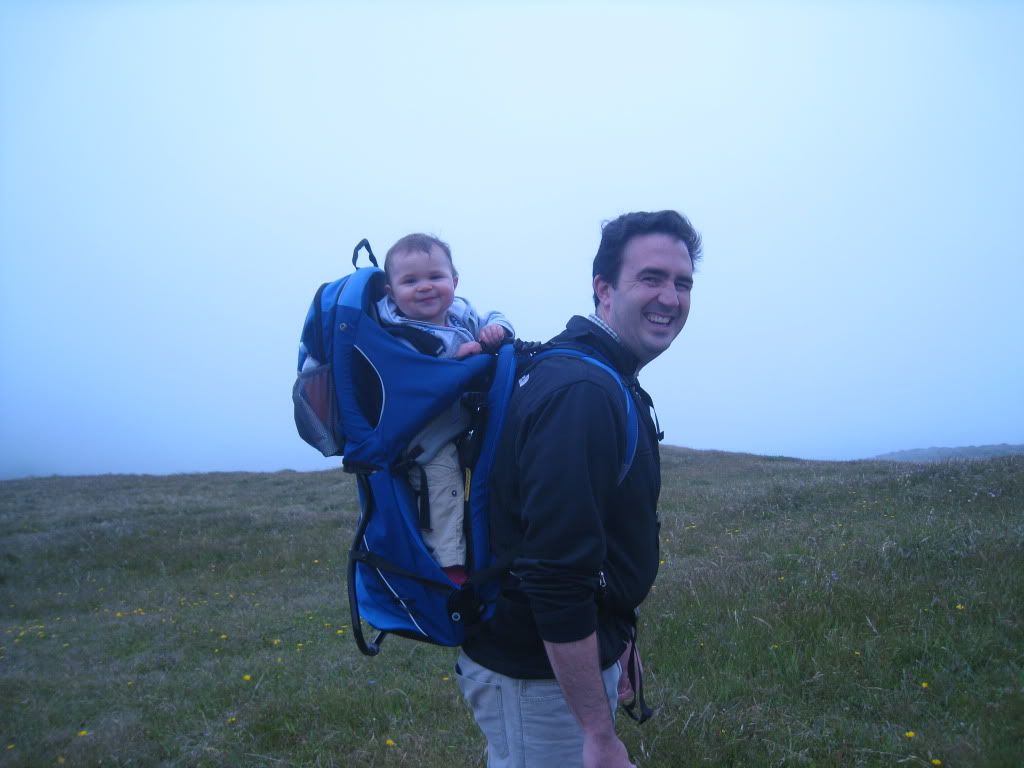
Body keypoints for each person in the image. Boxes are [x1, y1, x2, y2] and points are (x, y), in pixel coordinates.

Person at [457, 210, 701, 768]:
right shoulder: (582, 391)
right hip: (537, 677)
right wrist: (597, 730)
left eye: (682, 283)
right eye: (651, 278)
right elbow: (555, 574)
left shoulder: (600, 374)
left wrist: (617, 637)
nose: (670, 298)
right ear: (603, 289)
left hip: (554, 663)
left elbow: (602, 538)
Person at [376, 233, 513, 584]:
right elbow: (411, 380)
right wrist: (454, 362)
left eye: (435, 276)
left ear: (454, 281)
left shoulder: (460, 313)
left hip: (464, 424)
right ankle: (450, 573)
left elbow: (493, 315)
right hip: (424, 438)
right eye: (410, 281)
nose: (425, 287)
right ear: (391, 292)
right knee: (443, 487)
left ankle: (498, 550)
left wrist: (497, 329)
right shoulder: (397, 334)